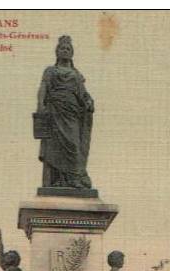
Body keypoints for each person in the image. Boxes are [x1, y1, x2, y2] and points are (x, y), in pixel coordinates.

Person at [36, 35, 94, 189]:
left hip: (72, 113)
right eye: (62, 48)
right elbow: (43, 88)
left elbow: (83, 93)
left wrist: (89, 101)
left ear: (72, 53)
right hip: (55, 112)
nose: (65, 51)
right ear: (57, 52)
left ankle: (74, 178)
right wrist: (40, 105)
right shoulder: (50, 71)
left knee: (74, 145)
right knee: (55, 148)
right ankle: (59, 180)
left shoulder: (76, 74)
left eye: (68, 49)